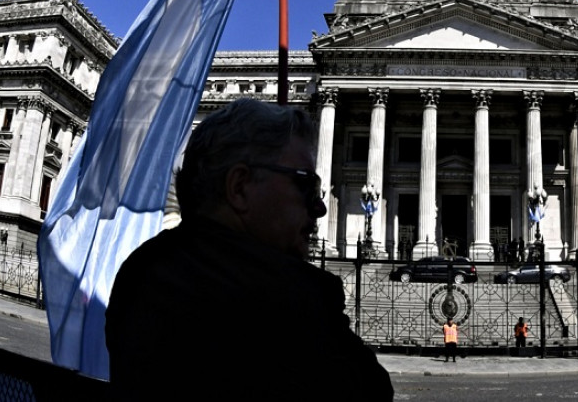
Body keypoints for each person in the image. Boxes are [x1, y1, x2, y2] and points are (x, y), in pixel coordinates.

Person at [105, 99, 392, 401]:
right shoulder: (287, 300)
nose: (320, 207)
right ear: (240, 187)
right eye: (306, 184)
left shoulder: (144, 269)